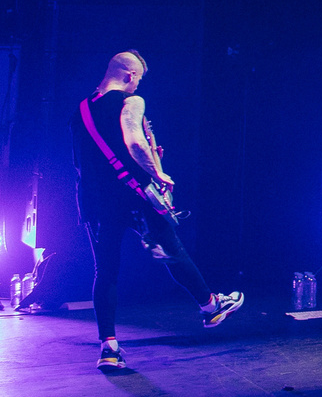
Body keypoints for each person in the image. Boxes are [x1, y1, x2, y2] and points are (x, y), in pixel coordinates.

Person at [74, 50, 243, 370]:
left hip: (95, 202)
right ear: (129, 75)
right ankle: (211, 307)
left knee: (105, 271)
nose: (138, 85)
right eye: (138, 78)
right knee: (173, 252)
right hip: (135, 196)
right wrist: (158, 172)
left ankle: (108, 349)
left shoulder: (80, 110)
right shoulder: (131, 101)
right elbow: (135, 142)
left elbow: (85, 161)